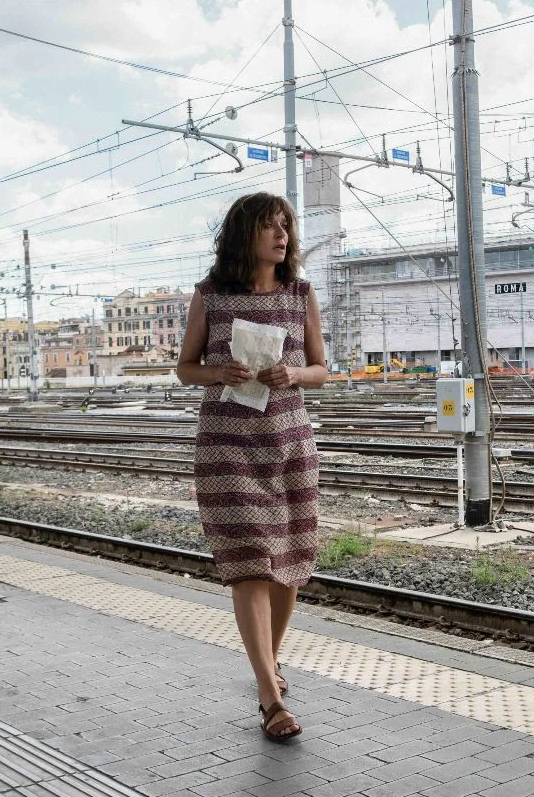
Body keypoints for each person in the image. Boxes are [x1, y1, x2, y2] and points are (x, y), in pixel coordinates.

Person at [177, 192, 326, 741]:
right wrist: (219, 371)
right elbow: (184, 369)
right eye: (269, 226)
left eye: (285, 225)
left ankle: (269, 663)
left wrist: (295, 375)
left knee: (290, 564)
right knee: (250, 563)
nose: (281, 235)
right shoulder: (211, 296)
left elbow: (321, 369)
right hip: (227, 446)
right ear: (245, 235)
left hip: (289, 444)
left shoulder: (300, 293)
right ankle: (269, 695)